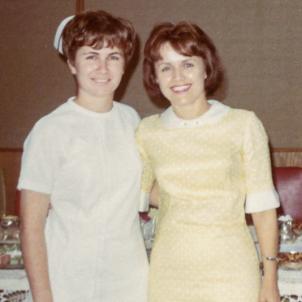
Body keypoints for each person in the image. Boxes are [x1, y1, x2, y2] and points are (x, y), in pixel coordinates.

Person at [136, 21, 280, 302]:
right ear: (155, 77)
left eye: (188, 64)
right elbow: (137, 191)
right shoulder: (147, 132)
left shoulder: (243, 124)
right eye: (165, 67)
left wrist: (270, 280)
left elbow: (263, 211)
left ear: (206, 68)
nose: (178, 76)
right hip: (169, 271)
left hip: (232, 270)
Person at [18, 10, 148, 302]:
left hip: (128, 279)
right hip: (68, 279)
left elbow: (147, 189)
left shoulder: (131, 120)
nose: (103, 67)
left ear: (125, 64)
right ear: (72, 64)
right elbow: (32, 227)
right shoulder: (50, 130)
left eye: (113, 56)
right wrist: (43, 296)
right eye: (91, 56)